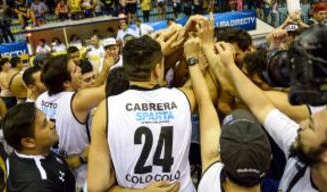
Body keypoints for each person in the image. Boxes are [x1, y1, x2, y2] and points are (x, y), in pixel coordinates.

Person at [88, 36, 196, 191]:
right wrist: (195, 57)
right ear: (158, 69)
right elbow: (207, 90)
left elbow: (95, 188)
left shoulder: (105, 110)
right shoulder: (184, 98)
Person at [215, 40, 327, 192]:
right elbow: (261, 106)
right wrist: (229, 64)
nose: (300, 125)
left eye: (311, 126)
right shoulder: (299, 145)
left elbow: (233, 89)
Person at [182, 37, 271, 192]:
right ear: (269, 159)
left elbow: (205, 103)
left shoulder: (210, 180)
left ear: (220, 156)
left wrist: (192, 61)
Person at [35, 55, 105, 190]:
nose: (80, 70)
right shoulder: (76, 100)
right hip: (84, 171)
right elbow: (111, 88)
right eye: (74, 70)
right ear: (66, 83)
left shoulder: (41, 99)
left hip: (58, 168)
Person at [2, 102, 76, 191]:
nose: (52, 124)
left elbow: (56, 166)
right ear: (29, 142)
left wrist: (82, 158)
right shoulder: (39, 185)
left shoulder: (17, 155)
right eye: (44, 125)